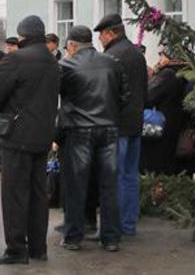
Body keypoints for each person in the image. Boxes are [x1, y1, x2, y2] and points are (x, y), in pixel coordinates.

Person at [0, 16, 60, 265]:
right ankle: (38, 248)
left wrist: (3, 111)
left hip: (17, 136)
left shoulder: (16, 59)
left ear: (22, 36)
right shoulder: (52, 61)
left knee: (15, 193)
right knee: (39, 194)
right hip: (43, 136)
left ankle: (17, 249)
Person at [57, 26, 129, 252]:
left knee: (76, 185)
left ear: (72, 45)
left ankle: (73, 236)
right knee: (109, 185)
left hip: (79, 130)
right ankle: (111, 238)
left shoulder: (66, 65)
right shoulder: (112, 62)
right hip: (108, 128)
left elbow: (57, 95)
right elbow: (125, 96)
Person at [94, 14, 148, 237]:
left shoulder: (112, 56)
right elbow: (144, 90)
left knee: (113, 178)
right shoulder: (136, 53)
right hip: (135, 123)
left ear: (111, 33)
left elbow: (107, 94)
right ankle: (128, 224)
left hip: (116, 126)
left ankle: (112, 226)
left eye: (101, 36)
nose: (100, 41)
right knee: (130, 176)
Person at [141, 50, 189, 175]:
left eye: (162, 55)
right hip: (173, 124)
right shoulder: (182, 73)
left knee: (155, 165)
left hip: (160, 126)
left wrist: (150, 79)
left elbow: (149, 96)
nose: (159, 59)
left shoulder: (167, 74)